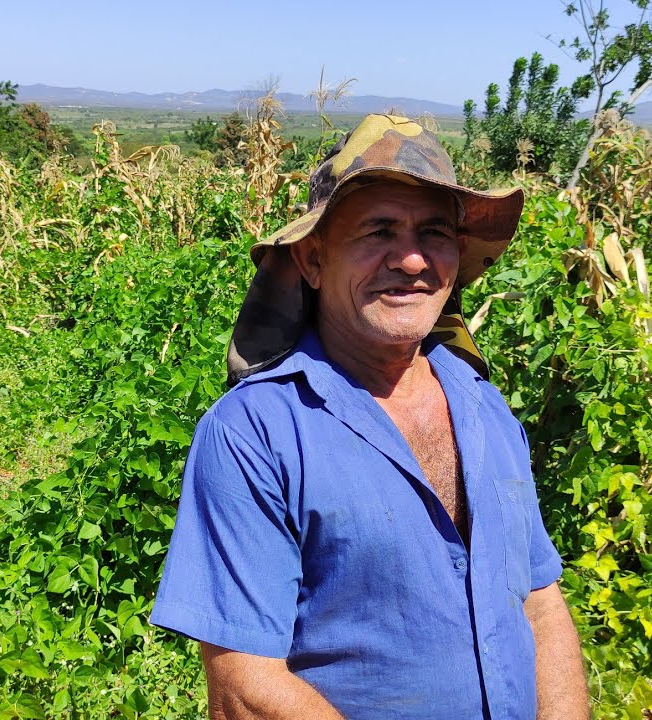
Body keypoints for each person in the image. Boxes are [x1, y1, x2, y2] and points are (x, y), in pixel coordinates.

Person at [150, 114, 588, 719]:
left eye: (433, 232)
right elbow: (245, 689)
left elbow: (539, 603)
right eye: (378, 230)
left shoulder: (484, 406)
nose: (411, 260)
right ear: (312, 261)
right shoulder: (256, 431)